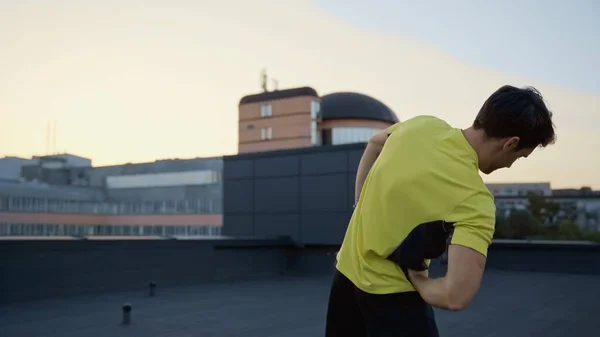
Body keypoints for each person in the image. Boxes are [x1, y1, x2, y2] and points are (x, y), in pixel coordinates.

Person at [325, 85, 556, 337]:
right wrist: (420, 281)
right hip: (395, 303)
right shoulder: (475, 200)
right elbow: (454, 296)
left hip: (345, 281)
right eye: (520, 156)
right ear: (511, 143)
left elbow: (374, 144)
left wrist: (360, 204)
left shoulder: (422, 126)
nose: (511, 165)